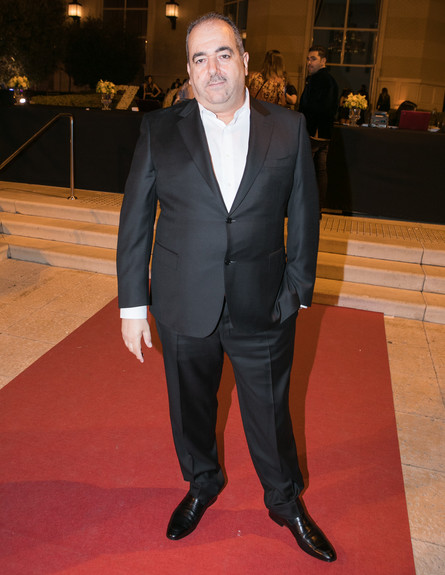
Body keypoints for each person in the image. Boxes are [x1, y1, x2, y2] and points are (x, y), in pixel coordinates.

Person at [116, 12, 336, 563]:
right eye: (199, 58)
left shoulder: (287, 127)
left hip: (264, 301)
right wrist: (133, 306)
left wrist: (296, 290)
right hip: (182, 300)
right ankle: (202, 482)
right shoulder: (159, 129)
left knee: (271, 412)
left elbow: (305, 215)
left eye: (222, 54)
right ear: (189, 71)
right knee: (190, 407)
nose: (212, 69)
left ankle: (284, 501)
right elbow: (135, 220)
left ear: (243, 59)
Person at [298, 45, 338, 215]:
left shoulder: (316, 80)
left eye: (313, 59)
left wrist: (307, 127)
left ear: (323, 61)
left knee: (305, 170)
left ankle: (306, 207)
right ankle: (317, 208)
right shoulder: (332, 81)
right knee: (321, 171)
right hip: (325, 133)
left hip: (313, 131)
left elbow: (310, 107)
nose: (309, 62)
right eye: (308, 59)